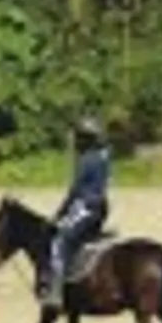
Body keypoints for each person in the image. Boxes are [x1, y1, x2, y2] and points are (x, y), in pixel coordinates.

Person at [39, 114, 113, 311]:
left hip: (86, 207)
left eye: (79, 137)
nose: (76, 141)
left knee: (58, 242)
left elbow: (75, 191)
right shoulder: (104, 155)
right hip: (102, 205)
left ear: (86, 139)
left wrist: (59, 214)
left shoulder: (86, 160)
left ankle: (55, 293)